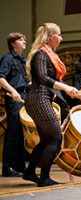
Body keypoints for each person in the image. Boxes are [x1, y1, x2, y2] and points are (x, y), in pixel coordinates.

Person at [22, 22, 81, 187]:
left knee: (46, 139)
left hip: (40, 99)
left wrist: (79, 96)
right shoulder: (41, 55)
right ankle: (44, 178)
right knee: (55, 138)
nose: (61, 38)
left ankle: (30, 172)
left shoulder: (49, 55)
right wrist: (67, 86)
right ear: (50, 36)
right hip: (38, 99)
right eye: (59, 34)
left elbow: (55, 85)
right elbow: (44, 79)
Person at [0, 32, 29, 177]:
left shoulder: (21, 60)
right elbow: (1, 78)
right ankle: (7, 167)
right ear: (13, 43)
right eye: (20, 39)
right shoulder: (7, 58)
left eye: (24, 39)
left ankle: (19, 166)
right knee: (12, 132)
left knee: (20, 132)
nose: (24, 41)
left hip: (23, 97)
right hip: (13, 97)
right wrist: (12, 90)